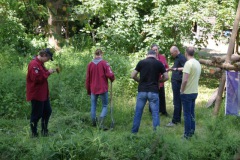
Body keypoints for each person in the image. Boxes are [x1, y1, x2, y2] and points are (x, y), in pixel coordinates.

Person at [131, 50, 169, 133]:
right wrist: (159, 81)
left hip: (142, 91)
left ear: (147, 55)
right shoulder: (159, 63)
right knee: (155, 114)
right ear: (155, 55)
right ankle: (156, 134)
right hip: (153, 91)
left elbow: (133, 75)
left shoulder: (141, 62)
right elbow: (166, 77)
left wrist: (140, 81)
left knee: (138, 112)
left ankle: (134, 133)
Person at [26, 48, 55, 137]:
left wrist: (48, 71)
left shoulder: (40, 64)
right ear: (44, 55)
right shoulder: (34, 64)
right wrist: (48, 73)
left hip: (43, 94)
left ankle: (44, 131)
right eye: (48, 58)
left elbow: (42, 74)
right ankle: (34, 134)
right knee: (36, 114)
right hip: (36, 94)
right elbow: (37, 79)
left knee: (47, 111)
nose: (48, 60)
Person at [85, 49, 115, 130]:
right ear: (101, 54)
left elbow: (88, 79)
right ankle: (101, 119)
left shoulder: (90, 64)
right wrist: (112, 78)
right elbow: (110, 74)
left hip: (93, 89)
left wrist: (88, 90)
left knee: (93, 105)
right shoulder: (104, 63)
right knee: (105, 105)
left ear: (95, 55)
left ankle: (94, 122)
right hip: (102, 88)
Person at [180, 47, 201, 139]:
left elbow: (185, 80)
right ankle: (192, 132)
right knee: (192, 113)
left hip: (187, 92)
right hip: (195, 91)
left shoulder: (188, 64)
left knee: (187, 114)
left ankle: (187, 135)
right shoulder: (197, 63)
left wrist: (181, 90)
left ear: (186, 53)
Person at [166, 46, 187, 127]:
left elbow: (185, 67)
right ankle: (177, 119)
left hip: (178, 82)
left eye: (172, 53)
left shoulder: (181, 58)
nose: (171, 55)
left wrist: (175, 69)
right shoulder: (177, 58)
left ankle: (175, 121)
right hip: (176, 81)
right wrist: (171, 68)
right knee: (177, 101)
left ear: (176, 51)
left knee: (177, 101)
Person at [150, 44, 169, 116]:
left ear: (158, 50)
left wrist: (165, 72)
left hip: (161, 80)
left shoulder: (162, 57)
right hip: (153, 80)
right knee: (153, 96)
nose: (155, 51)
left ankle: (163, 111)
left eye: (156, 49)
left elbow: (167, 67)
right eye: (153, 50)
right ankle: (152, 111)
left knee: (162, 95)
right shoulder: (150, 58)